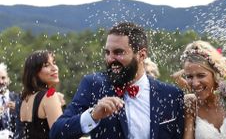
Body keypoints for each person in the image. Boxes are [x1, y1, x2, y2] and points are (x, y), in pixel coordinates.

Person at [50, 22, 184, 139]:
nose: (110, 59)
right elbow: (57, 132)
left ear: (142, 55)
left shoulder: (171, 95)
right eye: (107, 52)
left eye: (118, 52)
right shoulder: (93, 85)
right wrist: (93, 115)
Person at [19, 50, 63, 139]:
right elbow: (60, 135)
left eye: (54, 63)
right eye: (46, 65)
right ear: (35, 72)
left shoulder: (25, 99)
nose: (54, 68)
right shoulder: (49, 96)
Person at [0, 63, 20, 138]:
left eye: (3, 78)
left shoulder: (18, 98)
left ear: (8, 79)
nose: (1, 82)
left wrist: (18, 108)